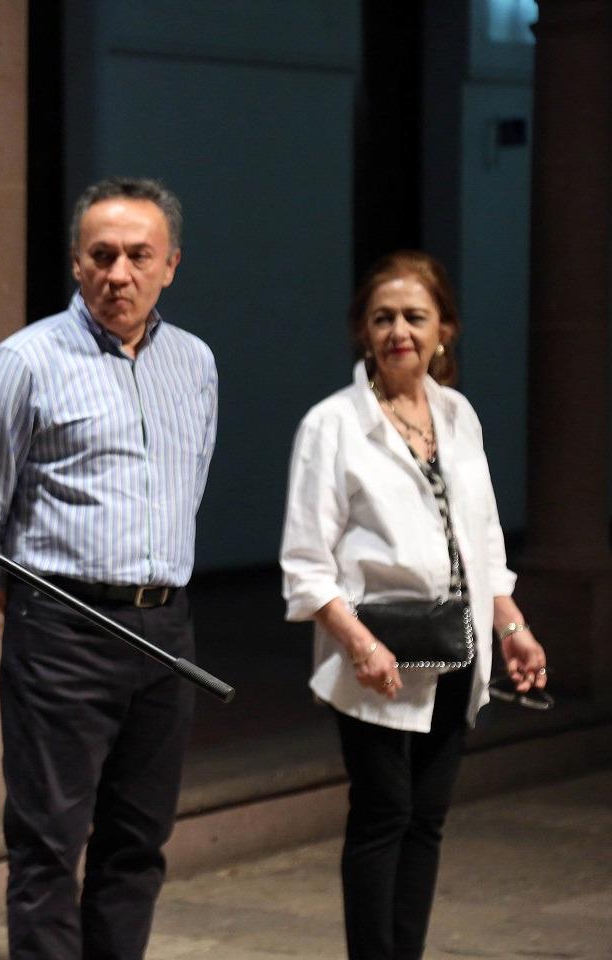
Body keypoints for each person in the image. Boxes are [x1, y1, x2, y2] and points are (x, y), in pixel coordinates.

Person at [0, 177, 218, 959]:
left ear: (171, 264)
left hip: (166, 628)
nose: (119, 273)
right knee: (48, 847)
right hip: (61, 627)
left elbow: (186, 487)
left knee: (139, 843)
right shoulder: (25, 362)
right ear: (76, 262)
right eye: (102, 256)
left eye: (139, 256)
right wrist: (43, 611)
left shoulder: (195, 364)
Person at [279, 250, 549, 960]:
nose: (399, 330)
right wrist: (360, 642)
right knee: (383, 815)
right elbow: (306, 563)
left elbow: (483, 536)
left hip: (458, 645)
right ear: (363, 332)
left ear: (445, 331)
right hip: (378, 653)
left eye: (415, 317)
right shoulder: (332, 425)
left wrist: (512, 627)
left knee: (426, 819)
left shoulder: (458, 415)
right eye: (383, 317)